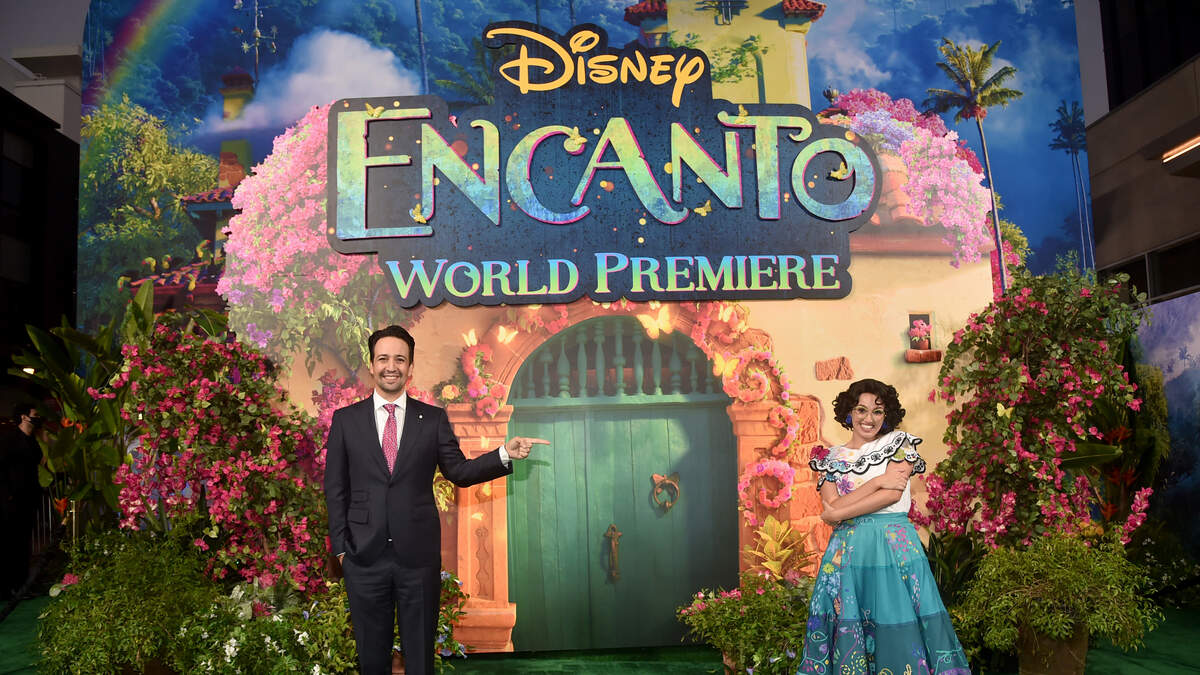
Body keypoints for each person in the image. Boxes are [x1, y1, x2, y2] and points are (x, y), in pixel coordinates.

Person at [324, 325, 547, 675]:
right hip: (363, 558)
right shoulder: (345, 421)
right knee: (371, 660)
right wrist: (341, 550)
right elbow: (335, 489)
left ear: (411, 368)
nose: (391, 366)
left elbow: (459, 471)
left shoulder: (432, 419)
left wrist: (504, 453)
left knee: (420, 659)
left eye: (400, 359)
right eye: (383, 359)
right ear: (371, 364)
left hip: (418, 559)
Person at [799, 378, 969, 675]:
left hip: (893, 548)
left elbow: (891, 495)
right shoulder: (829, 458)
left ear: (886, 415)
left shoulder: (899, 444)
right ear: (848, 413)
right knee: (849, 623)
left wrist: (837, 512)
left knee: (897, 621)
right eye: (861, 410)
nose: (869, 418)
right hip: (847, 554)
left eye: (878, 411)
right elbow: (834, 504)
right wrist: (877, 481)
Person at [0, 404, 44, 600]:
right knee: (11, 543)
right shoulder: (9, 439)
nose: (38, 417)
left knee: (24, 543)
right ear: (24, 417)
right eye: (35, 415)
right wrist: (7, 494)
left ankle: (22, 584)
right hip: (11, 500)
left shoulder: (32, 440)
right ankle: (8, 588)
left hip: (28, 498)